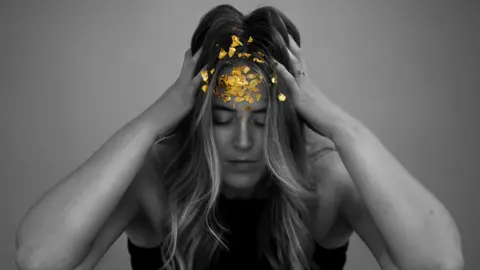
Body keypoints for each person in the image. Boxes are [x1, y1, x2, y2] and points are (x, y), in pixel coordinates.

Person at [15, 4, 464, 270]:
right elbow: (38, 258)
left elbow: (441, 264)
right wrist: (156, 118)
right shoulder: (154, 179)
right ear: (196, 116)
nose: (245, 142)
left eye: (263, 118)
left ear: (291, 115)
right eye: (223, 119)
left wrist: (342, 126)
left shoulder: (325, 182)